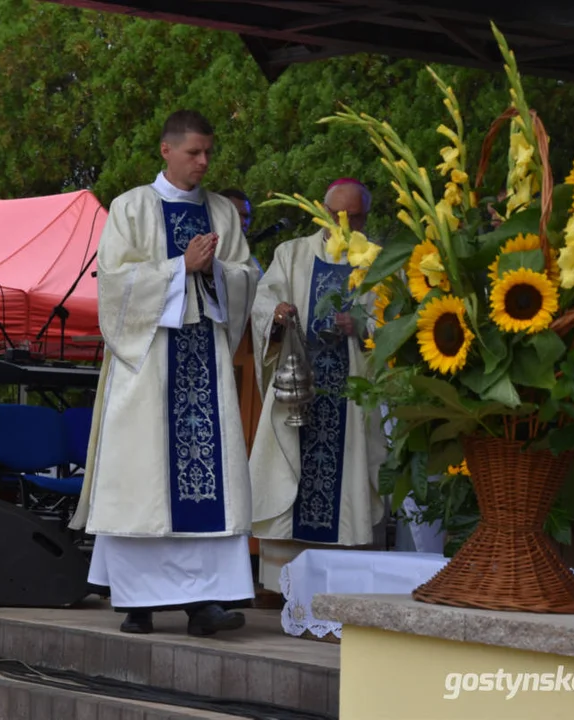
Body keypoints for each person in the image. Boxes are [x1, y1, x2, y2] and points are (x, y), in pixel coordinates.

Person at [70, 110, 259, 636]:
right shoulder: (132, 207)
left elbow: (246, 278)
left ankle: (205, 603)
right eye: (194, 152)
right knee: (145, 482)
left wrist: (217, 271)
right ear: (166, 150)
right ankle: (139, 603)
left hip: (205, 362)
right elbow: (114, 285)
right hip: (147, 370)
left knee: (207, 483)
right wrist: (181, 268)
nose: (203, 162)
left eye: (207, 153)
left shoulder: (222, 212)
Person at [247, 178, 388, 590]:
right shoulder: (291, 254)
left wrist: (361, 325)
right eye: (336, 215)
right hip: (299, 391)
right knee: (292, 472)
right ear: (322, 213)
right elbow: (262, 300)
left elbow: (395, 322)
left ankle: (341, 586)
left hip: (349, 393)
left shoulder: (377, 262)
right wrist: (277, 311)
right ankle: (283, 585)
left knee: (346, 484)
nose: (345, 225)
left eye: (354, 216)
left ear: (365, 216)